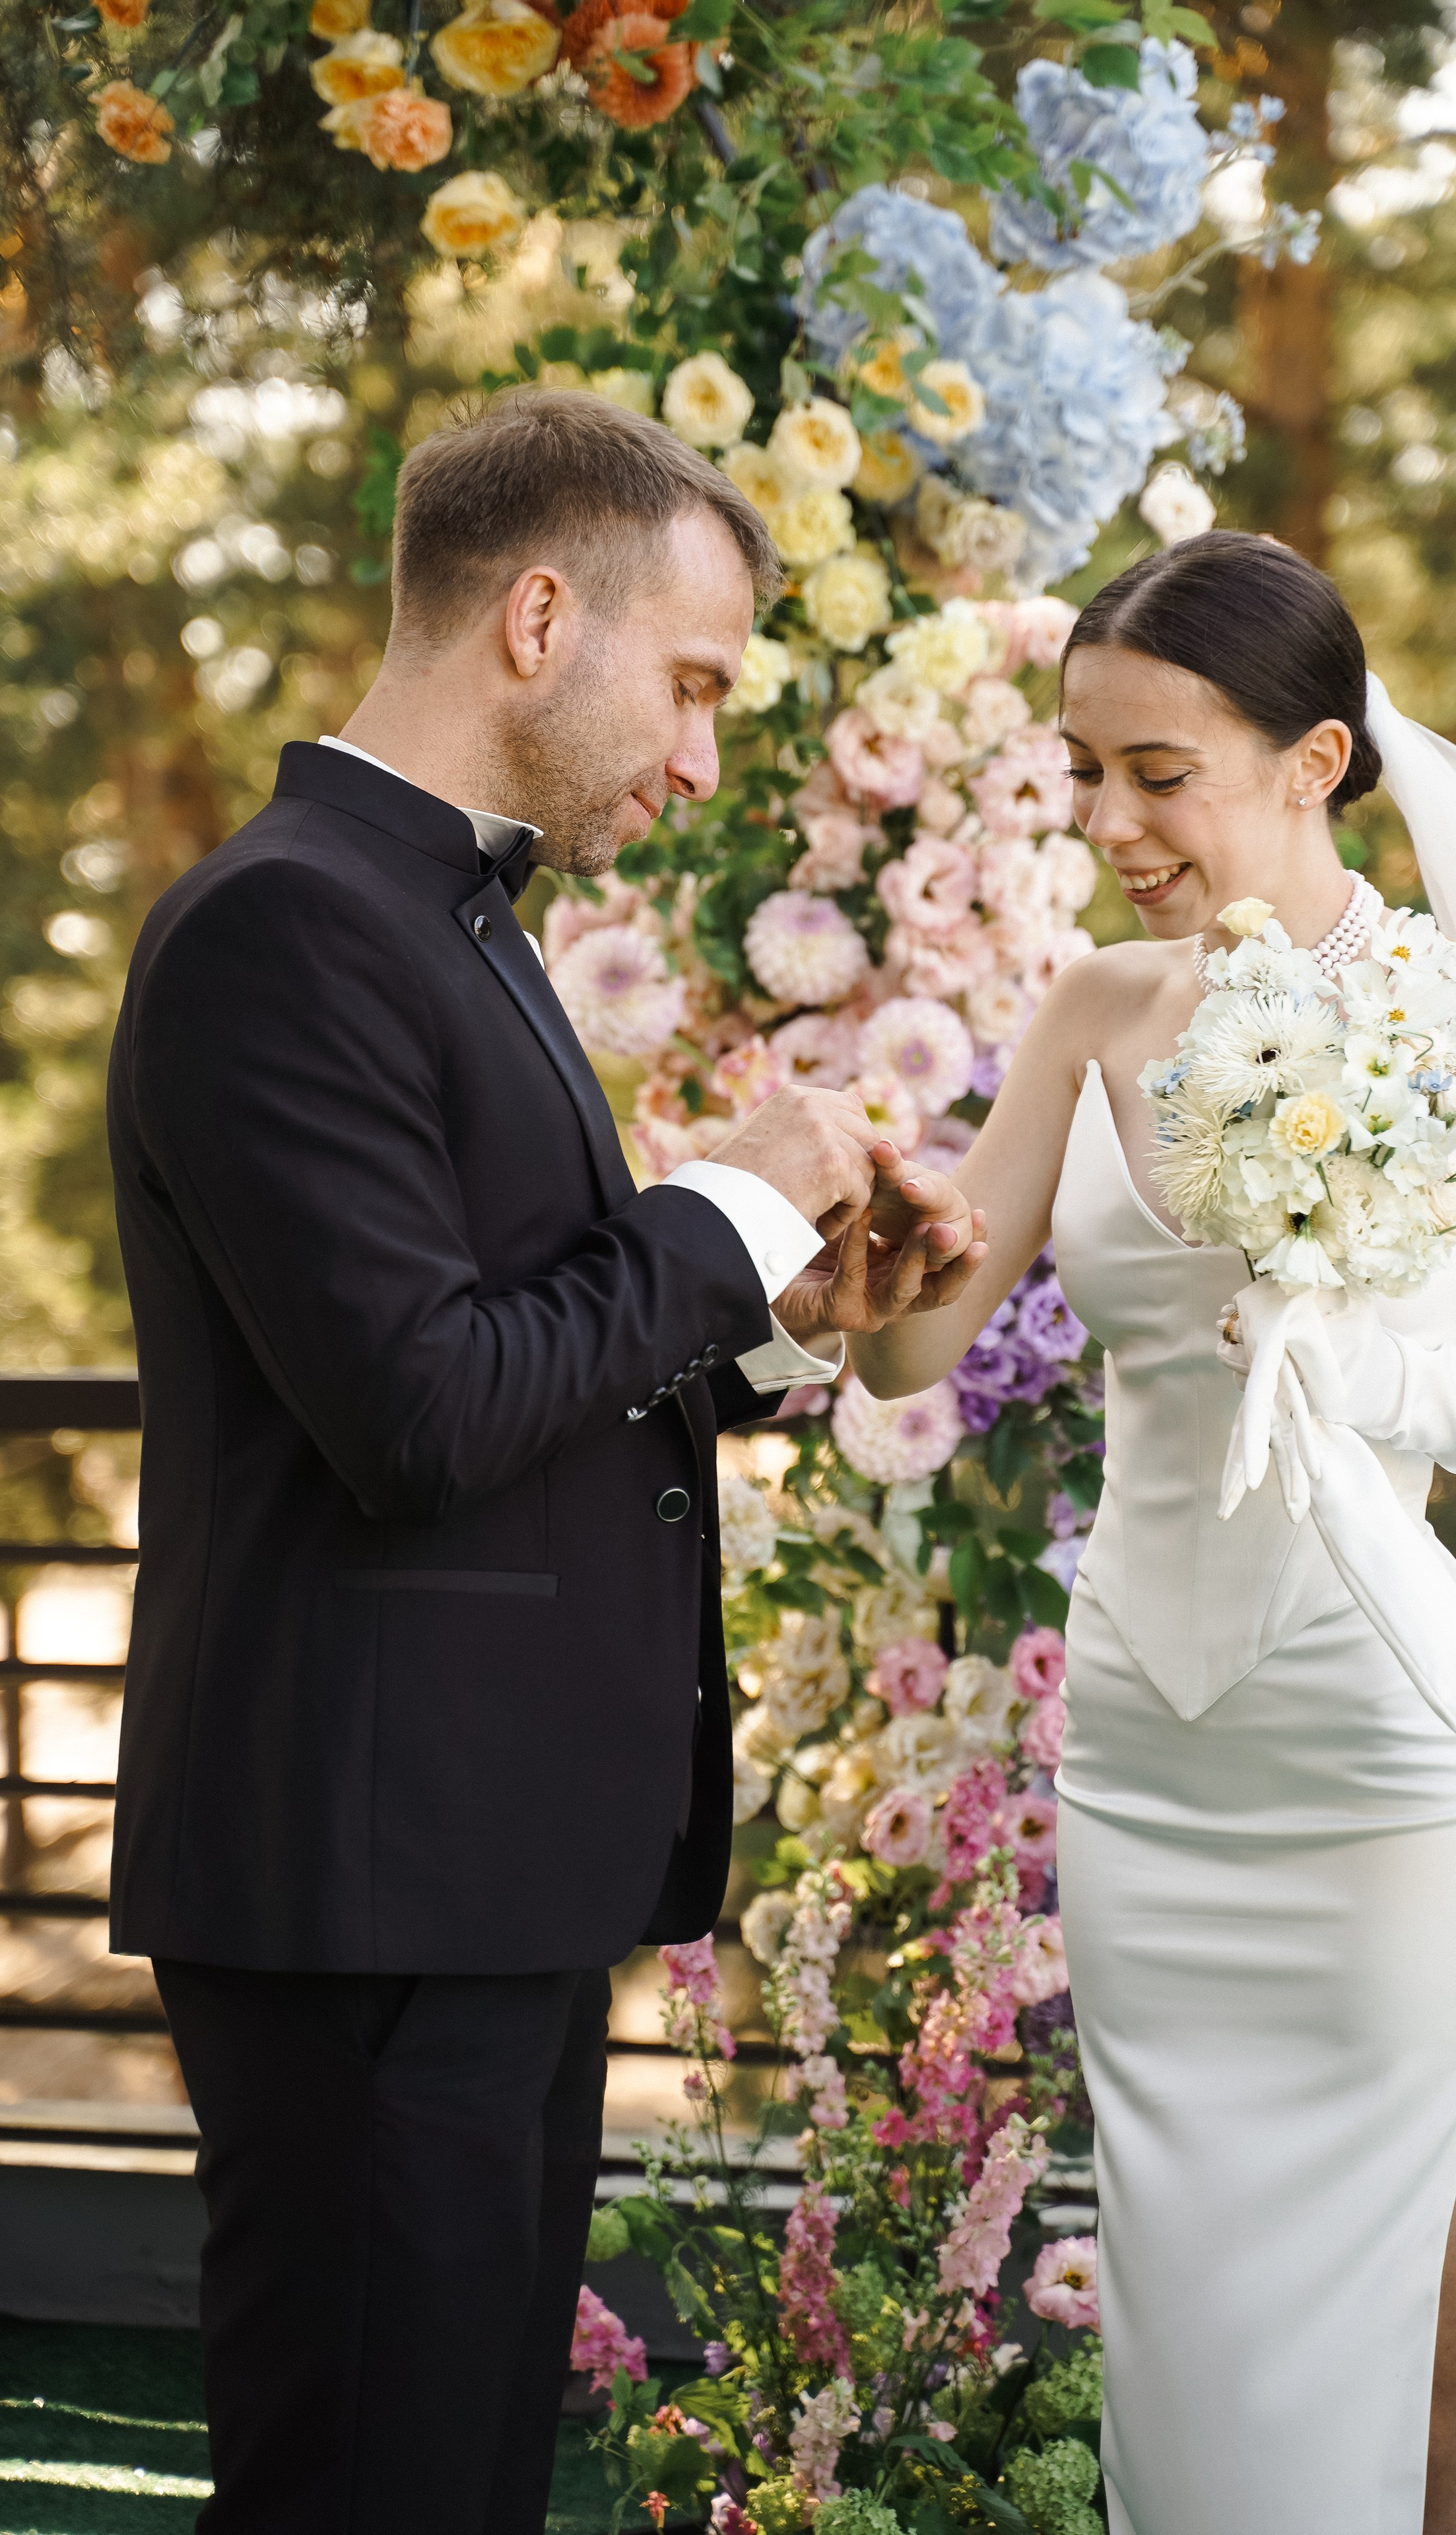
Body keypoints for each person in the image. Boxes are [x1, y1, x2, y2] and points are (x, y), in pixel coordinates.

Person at [105, 388, 986, 2535]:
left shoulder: (444, 924)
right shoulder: (284, 927)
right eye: (687, 686)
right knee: (370, 2484)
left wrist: (772, 1322)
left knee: (468, 2472)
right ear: (532, 619)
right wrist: (717, 1208)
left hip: (474, 1866)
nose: (699, 756)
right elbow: (414, 1414)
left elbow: (506, 1358)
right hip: (365, 1875)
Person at [847, 531, 1456, 2535]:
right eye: (1086, 774)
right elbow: (913, 1357)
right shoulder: (1090, 1014)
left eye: (1163, 771)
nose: (1115, 825)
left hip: (1382, 1762)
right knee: (1194, 2335)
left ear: (1317, 759)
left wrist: (1393, 1390)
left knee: (1429, 2348)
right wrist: (868, 1271)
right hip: (1150, 1762)